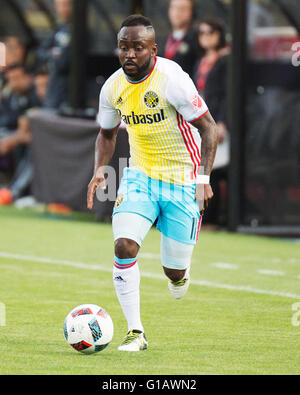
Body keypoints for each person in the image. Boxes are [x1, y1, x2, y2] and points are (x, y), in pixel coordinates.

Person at [87, 15, 218, 351]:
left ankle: (180, 273)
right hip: (140, 176)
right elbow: (106, 134)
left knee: (174, 273)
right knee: (124, 246)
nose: (129, 54)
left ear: (153, 49)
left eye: (137, 47)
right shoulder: (113, 87)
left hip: (183, 181)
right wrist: (101, 168)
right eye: (124, 47)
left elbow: (208, 129)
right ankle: (136, 332)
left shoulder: (172, 79)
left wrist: (203, 178)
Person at [194, 18, 230, 226]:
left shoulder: (225, 60)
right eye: (202, 33)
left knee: (214, 168)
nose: (205, 37)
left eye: (210, 32)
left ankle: (213, 219)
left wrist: (224, 121)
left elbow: (227, 93)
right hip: (201, 120)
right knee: (203, 166)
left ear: (219, 34)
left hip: (217, 119)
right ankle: (203, 216)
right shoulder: (201, 60)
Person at [36, 0, 73, 109]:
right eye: (59, 6)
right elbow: (41, 52)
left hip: (69, 89)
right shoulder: (58, 29)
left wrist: (56, 55)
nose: (62, 9)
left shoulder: (80, 30)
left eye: (65, 5)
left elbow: (63, 61)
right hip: (54, 86)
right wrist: (52, 55)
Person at [164, 0, 199, 77]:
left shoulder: (198, 40)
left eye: (183, 9)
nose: (177, 13)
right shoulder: (162, 41)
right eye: (174, 8)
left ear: (192, 12)